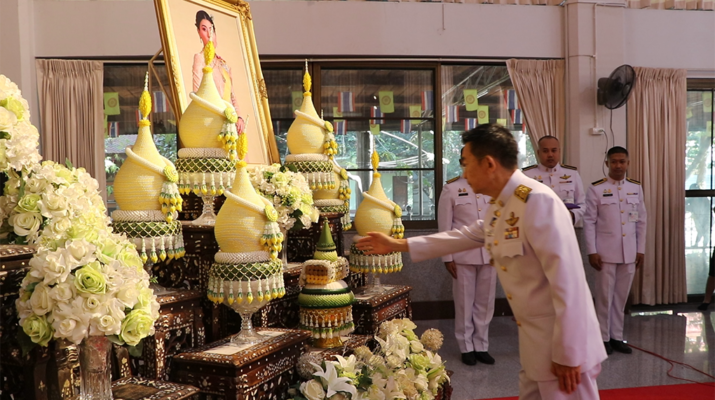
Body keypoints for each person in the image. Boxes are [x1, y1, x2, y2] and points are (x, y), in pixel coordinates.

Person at [357, 124, 606, 399]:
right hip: (538, 346)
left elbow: (568, 281)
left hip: (565, 351)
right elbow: (465, 235)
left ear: (488, 163)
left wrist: (569, 354)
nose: (464, 173)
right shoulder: (504, 204)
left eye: (466, 164)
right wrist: (398, 245)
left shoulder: (538, 201)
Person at [583, 146, 647, 355]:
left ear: (628, 163)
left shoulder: (635, 188)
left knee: (621, 298)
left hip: (629, 253)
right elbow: (589, 222)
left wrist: (640, 249)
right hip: (605, 254)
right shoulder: (596, 189)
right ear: (607, 163)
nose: (618, 165)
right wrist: (592, 251)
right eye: (614, 162)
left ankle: (616, 337)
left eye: (622, 161)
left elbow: (641, 221)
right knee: (604, 298)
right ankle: (602, 338)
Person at [438, 148, 496, 366]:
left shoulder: (493, 187)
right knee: (464, 302)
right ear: (462, 161)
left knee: (485, 302)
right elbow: (445, 227)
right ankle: (466, 347)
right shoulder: (451, 188)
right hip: (462, 256)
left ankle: (481, 345)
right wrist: (447, 257)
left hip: (490, 255)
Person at [192, 10, 245, 133]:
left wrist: (239, 117)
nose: (209, 34)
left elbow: (232, 95)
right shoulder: (200, 59)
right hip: (214, 122)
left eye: (211, 29)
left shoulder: (223, 64)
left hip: (231, 121)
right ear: (199, 32)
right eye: (204, 29)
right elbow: (197, 94)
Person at [523, 136, 585, 225]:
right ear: (538, 153)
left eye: (554, 150)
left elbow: (582, 203)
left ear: (559, 151)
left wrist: (571, 215)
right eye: (545, 151)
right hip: (537, 227)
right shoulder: (527, 175)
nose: (550, 155)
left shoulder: (572, 174)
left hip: (565, 226)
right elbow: (521, 205)